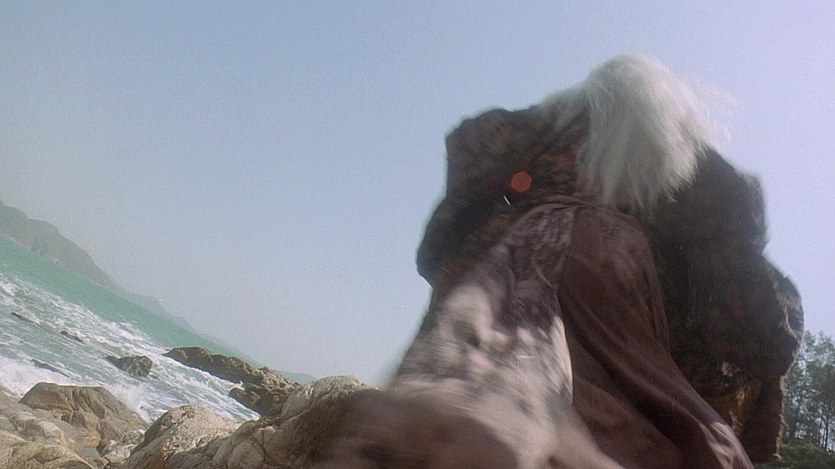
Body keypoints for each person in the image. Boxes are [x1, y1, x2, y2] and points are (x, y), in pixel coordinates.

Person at [317, 54, 800, 468]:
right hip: (604, 287)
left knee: (504, 366)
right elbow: (762, 328)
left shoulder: (553, 142)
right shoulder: (688, 184)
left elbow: (471, 154)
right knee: (594, 388)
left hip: (544, 270)